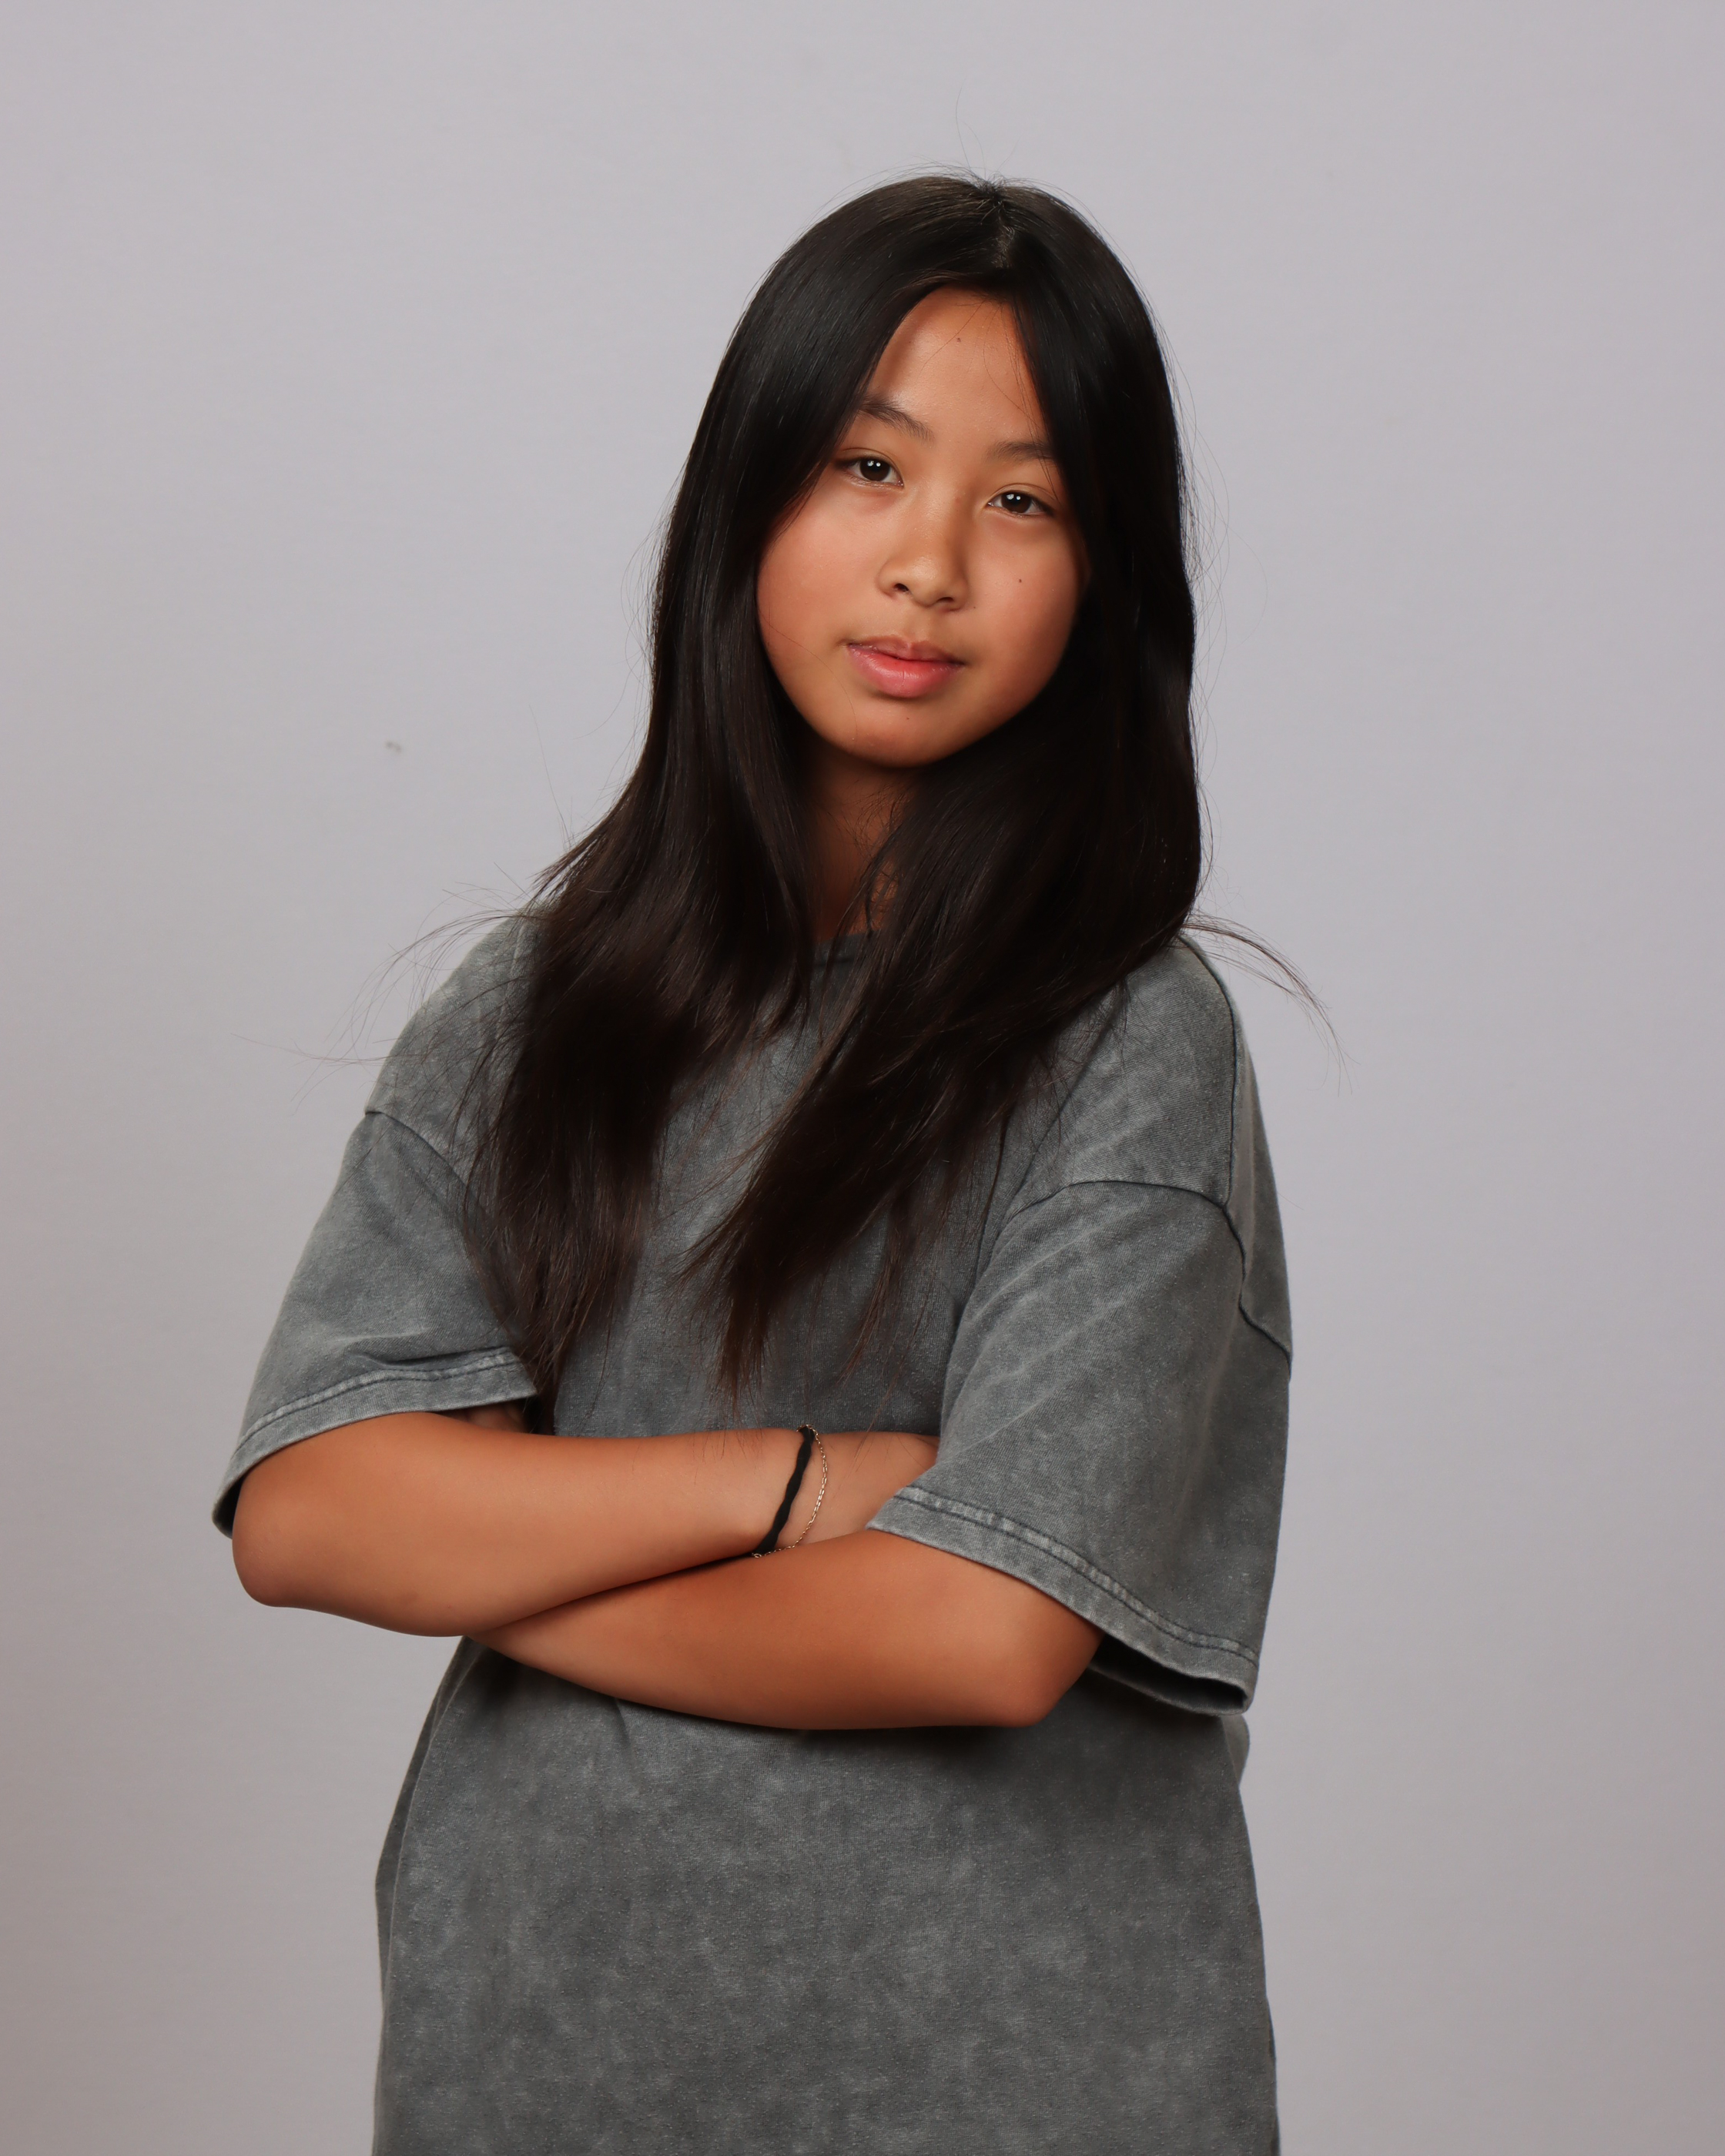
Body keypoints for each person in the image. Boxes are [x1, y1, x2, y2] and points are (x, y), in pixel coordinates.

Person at [219, 173, 1292, 2155]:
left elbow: (978, 1630)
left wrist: (508, 1574)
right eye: (866, 466)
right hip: (538, 2061)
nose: (928, 565)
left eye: (1024, 501)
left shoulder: (1127, 1039)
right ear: (745, 501)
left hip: (1008, 2086)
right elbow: (309, 1506)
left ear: (1107, 582)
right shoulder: (536, 1007)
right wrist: (798, 1483)